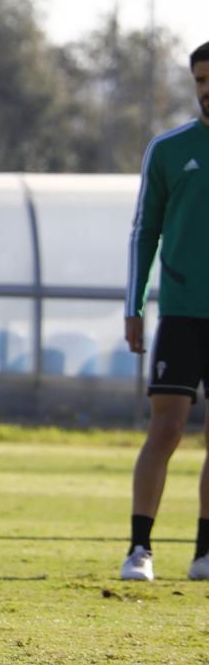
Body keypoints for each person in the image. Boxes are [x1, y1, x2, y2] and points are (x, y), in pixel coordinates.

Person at [122, 40, 209, 583]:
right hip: (179, 314)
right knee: (167, 430)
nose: (206, 90)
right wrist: (133, 305)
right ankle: (140, 549)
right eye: (200, 80)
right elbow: (144, 230)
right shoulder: (170, 149)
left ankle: (204, 554)